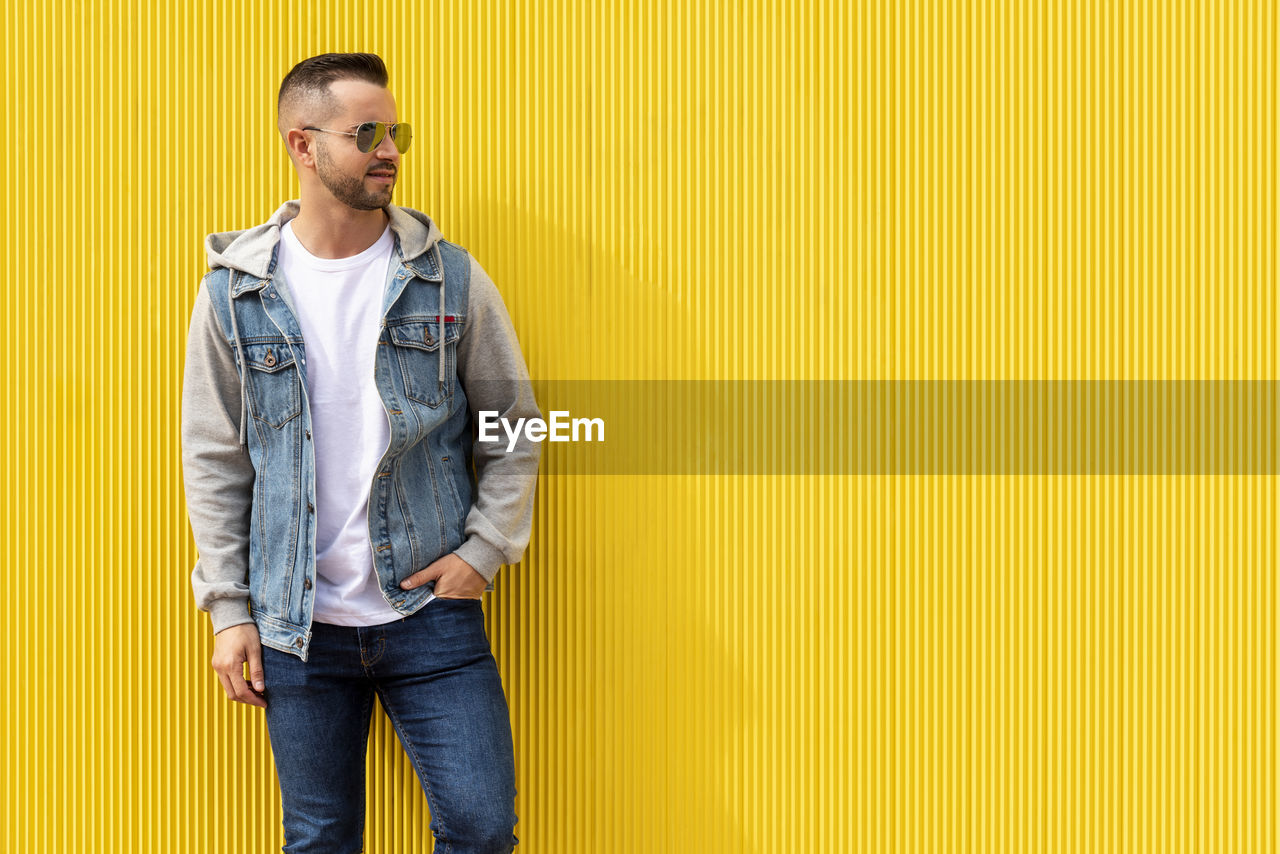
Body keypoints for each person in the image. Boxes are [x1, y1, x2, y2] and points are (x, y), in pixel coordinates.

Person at [180, 52, 540, 854]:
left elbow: (514, 422)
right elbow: (214, 461)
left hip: (430, 618)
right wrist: (228, 610)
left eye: (396, 132)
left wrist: (483, 552)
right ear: (301, 144)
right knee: (320, 838)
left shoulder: (449, 280)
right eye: (367, 132)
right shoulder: (235, 293)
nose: (390, 151)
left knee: (483, 830)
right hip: (295, 624)